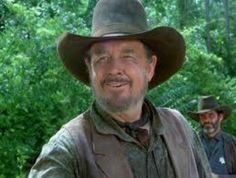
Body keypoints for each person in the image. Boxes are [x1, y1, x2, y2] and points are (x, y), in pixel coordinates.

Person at [28, 0, 212, 177]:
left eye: (128, 56)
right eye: (102, 58)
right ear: (89, 67)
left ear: (150, 67)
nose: (114, 68)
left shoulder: (180, 128)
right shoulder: (68, 150)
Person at [188, 95, 236, 178]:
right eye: (202, 116)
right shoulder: (191, 144)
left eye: (211, 115)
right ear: (199, 119)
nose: (207, 120)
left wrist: (218, 177)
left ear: (220, 117)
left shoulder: (232, 144)